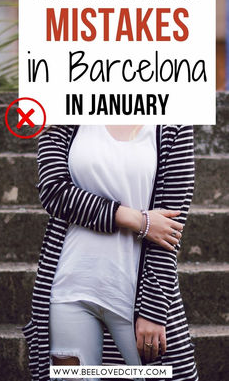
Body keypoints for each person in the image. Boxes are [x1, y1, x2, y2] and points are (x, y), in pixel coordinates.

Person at [22, 124, 198, 381]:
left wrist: (154, 309)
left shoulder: (174, 122)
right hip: (70, 287)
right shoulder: (64, 110)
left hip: (136, 291)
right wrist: (137, 220)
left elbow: (170, 226)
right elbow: (54, 192)